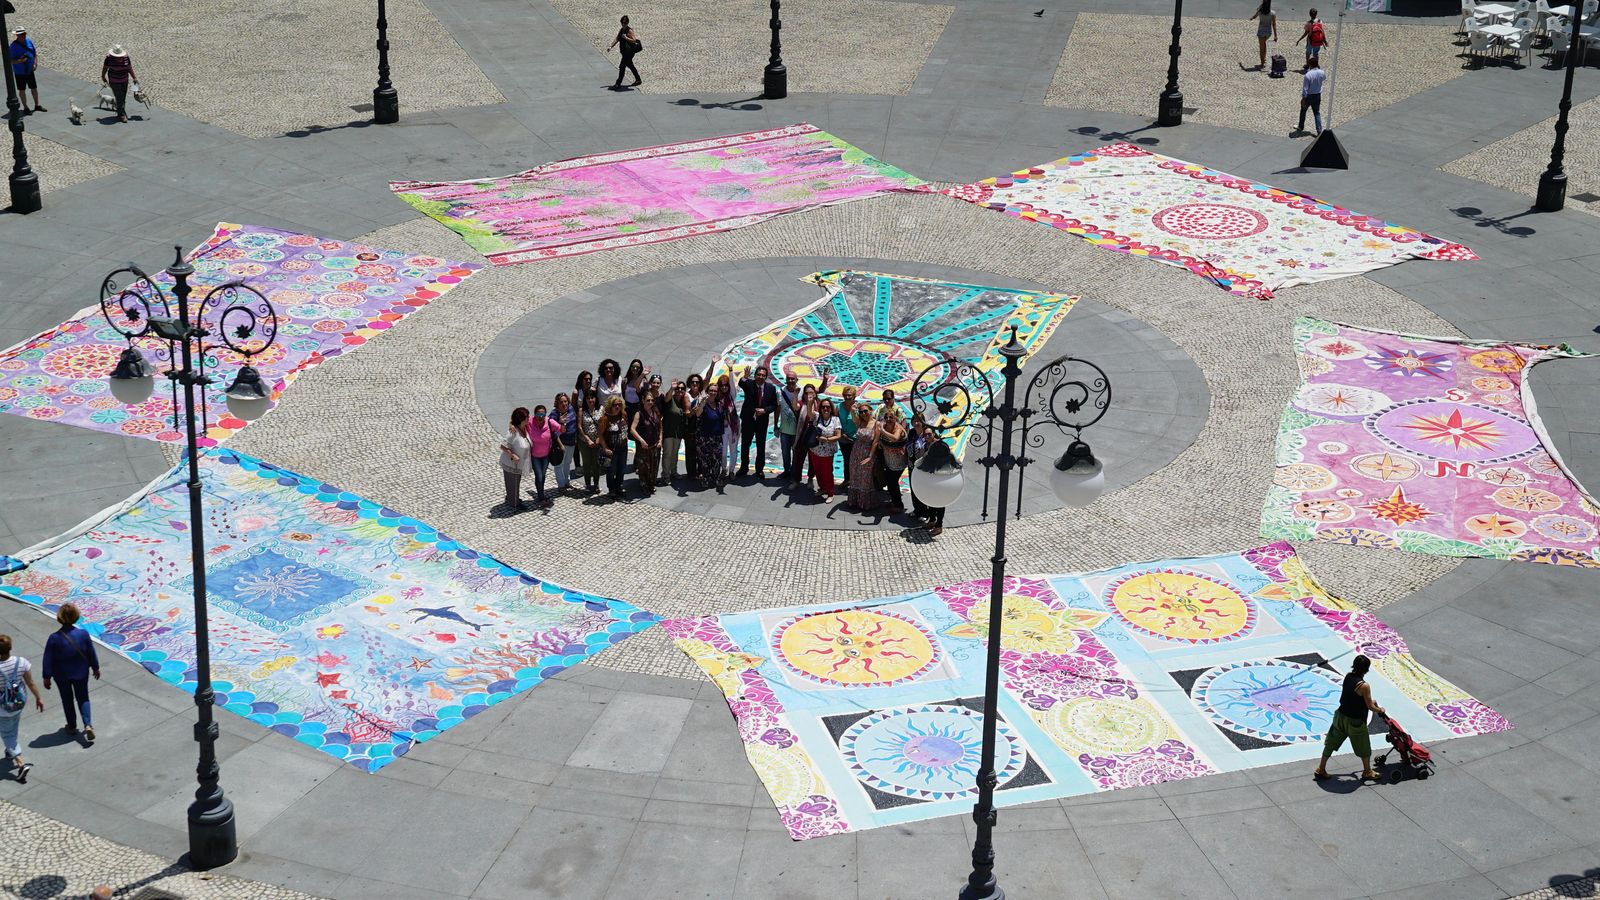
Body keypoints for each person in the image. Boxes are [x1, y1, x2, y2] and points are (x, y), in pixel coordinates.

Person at [1314, 654, 1386, 782]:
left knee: (1330, 743)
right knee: (1364, 747)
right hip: (1355, 722)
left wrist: (1369, 701)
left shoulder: (1348, 677)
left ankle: (1321, 768)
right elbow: (1370, 707)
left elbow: (1352, 697)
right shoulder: (1364, 686)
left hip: (1340, 716)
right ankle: (1367, 771)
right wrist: (1380, 710)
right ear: (1366, 669)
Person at [42, 603, 100, 742]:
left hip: (61, 675)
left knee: (67, 700)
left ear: (59, 618)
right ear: (76, 616)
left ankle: (72, 726)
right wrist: (95, 667)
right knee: (83, 698)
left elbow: (48, 658)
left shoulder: (54, 638)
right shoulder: (83, 634)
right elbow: (91, 653)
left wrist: (46, 676)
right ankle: (87, 724)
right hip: (81, 672)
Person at [0, 633, 45, 784]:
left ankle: (20, 763)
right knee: (13, 727)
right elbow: (30, 682)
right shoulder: (21, 662)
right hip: (18, 704)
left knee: (7, 734)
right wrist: (38, 697)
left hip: (3, 708)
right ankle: (10, 750)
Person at [909, 416, 947, 535]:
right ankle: (932, 520)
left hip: (939, 477)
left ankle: (939, 525)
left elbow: (947, 458)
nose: (927, 436)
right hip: (929, 476)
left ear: (934, 434)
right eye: (925, 435)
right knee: (930, 499)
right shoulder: (926, 445)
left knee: (939, 501)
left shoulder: (939, 444)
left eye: (929, 434)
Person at [738, 366, 779, 477]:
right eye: (758, 375)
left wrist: (765, 410)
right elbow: (741, 383)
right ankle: (744, 468)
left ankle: (759, 469)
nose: (760, 377)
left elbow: (774, 405)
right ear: (755, 375)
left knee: (761, 446)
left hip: (762, 421)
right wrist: (745, 377)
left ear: (766, 377)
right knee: (745, 445)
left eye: (763, 375)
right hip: (748, 420)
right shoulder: (749, 384)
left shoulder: (771, 388)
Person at [692, 380, 728, 490]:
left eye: (715, 391)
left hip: (717, 437)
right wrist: (703, 402)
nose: (713, 393)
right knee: (705, 460)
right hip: (704, 437)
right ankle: (706, 478)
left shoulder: (719, 404)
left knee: (717, 459)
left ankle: (716, 478)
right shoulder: (702, 402)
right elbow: (697, 414)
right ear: (707, 391)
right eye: (711, 390)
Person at [524, 404, 561, 507]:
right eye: (538, 414)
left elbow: (561, 429)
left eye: (542, 414)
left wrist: (561, 425)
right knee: (539, 476)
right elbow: (517, 422)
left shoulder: (549, 422)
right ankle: (541, 497)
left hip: (546, 455)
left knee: (543, 475)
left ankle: (541, 493)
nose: (540, 417)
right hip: (534, 455)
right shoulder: (530, 421)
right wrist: (512, 426)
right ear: (534, 414)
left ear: (545, 414)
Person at [808, 399, 843, 501]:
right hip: (815, 450)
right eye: (823, 407)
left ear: (831, 408)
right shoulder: (817, 416)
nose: (825, 409)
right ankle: (822, 488)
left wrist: (826, 439)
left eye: (828, 407)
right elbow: (809, 412)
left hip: (827, 452)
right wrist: (810, 402)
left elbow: (838, 435)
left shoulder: (835, 419)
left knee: (827, 472)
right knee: (818, 471)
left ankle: (830, 493)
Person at [877, 406, 910, 512]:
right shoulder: (884, 426)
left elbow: (895, 438)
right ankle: (894, 502)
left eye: (891, 417)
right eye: (886, 417)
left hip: (899, 462)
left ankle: (899, 505)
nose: (888, 419)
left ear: (895, 418)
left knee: (893, 483)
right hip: (889, 461)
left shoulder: (898, 428)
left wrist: (882, 431)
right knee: (889, 481)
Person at [498, 407, 532, 510]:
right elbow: (503, 446)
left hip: (520, 463)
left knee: (515, 483)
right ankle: (514, 503)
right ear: (521, 419)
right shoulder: (513, 432)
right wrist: (512, 455)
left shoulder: (525, 427)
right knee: (513, 483)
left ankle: (511, 498)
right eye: (527, 417)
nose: (529, 418)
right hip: (511, 463)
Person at [846, 404, 879, 511]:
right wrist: (853, 409)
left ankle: (865, 503)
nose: (863, 414)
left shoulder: (876, 424)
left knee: (866, 479)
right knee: (855, 477)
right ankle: (855, 501)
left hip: (867, 454)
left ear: (871, 410)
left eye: (865, 411)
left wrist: (870, 457)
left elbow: (875, 442)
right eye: (861, 412)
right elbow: (853, 415)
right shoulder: (860, 422)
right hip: (855, 453)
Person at [631, 392, 663, 496]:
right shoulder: (639, 413)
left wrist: (660, 440)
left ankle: (651, 484)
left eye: (652, 400)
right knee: (644, 467)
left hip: (655, 445)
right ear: (643, 401)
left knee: (654, 466)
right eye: (648, 400)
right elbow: (632, 429)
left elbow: (660, 427)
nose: (650, 402)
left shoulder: (656, 411)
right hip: (644, 446)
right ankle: (644, 486)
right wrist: (641, 440)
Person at [598, 396, 630, 499]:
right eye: (615, 405)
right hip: (612, 449)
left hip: (623, 447)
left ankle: (619, 486)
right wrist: (605, 448)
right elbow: (600, 435)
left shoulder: (623, 414)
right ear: (610, 406)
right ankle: (612, 490)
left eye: (619, 405)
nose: (617, 407)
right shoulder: (605, 419)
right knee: (611, 470)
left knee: (622, 468)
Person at [9, 28, 43, 114]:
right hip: (20, 72)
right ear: (17, 35)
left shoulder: (28, 41)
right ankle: (25, 107)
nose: (24, 36)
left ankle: (37, 105)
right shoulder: (13, 46)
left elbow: (34, 53)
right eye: (22, 34)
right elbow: (10, 61)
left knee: (34, 88)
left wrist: (35, 64)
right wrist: (20, 61)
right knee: (22, 90)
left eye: (24, 34)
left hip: (29, 70)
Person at [101, 44, 137, 123]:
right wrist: (103, 76)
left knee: (123, 97)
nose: (119, 58)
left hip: (124, 80)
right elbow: (105, 68)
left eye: (120, 57)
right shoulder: (109, 58)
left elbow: (129, 68)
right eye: (117, 57)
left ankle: (121, 110)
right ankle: (121, 114)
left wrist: (134, 77)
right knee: (119, 97)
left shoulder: (126, 58)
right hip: (114, 81)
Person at [661, 379, 688, 483]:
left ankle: (674, 471)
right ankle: (665, 474)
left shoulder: (683, 402)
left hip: (678, 433)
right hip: (668, 431)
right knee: (667, 454)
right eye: (678, 388)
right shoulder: (670, 399)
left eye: (682, 388)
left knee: (675, 453)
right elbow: (666, 398)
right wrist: (672, 388)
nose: (679, 390)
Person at [577, 393, 603, 493]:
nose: (590, 400)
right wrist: (587, 439)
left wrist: (599, 438)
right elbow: (579, 426)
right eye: (588, 398)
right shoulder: (581, 410)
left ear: (596, 399)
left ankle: (596, 484)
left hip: (597, 441)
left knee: (596, 463)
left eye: (592, 398)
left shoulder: (601, 409)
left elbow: (603, 425)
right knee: (587, 463)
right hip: (584, 441)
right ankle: (587, 484)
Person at [608, 16, 643, 89]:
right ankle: (638, 79)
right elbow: (617, 39)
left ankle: (618, 83)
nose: (623, 24)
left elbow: (634, 40)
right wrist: (611, 46)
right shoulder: (621, 30)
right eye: (622, 23)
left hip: (629, 52)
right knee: (630, 65)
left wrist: (626, 38)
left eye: (625, 23)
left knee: (622, 66)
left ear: (627, 23)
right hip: (624, 52)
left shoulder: (629, 30)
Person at [552, 392, 577, 494]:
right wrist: (560, 422)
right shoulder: (554, 414)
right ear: (557, 403)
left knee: (567, 463)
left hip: (571, 442)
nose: (564, 404)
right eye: (561, 402)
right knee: (559, 465)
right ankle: (561, 485)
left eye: (565, 401)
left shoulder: (571, 409)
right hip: (561, 443)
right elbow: (552, 430)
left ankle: (566, 482)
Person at [1297, 58, 1326, 135]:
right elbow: (1324, 78)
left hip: (1309, 96)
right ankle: (1319, 130)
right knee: (1316, 113)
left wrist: (1303, 98)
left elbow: (1305, 89)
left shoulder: (1308, 75)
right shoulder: (1322, 72)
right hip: (1317, 95)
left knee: (1303, 111)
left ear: (1309, 64)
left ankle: (1300, 126)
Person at [1250, 1, 1277, 70]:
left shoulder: (1260, 11)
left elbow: (1255, 16)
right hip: (1268, 32)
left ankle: (1262, 63)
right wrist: (1275, 35)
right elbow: (1274, 24)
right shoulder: (1272, 13)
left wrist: (1252, 18)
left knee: (1262, 47)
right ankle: (1263, 61)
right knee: (1264, 45)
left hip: (1261, 31)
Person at [838, 386, 859, 475]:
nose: (847, 397)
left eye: (849, 395)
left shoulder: (859, 407)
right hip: (843, 438)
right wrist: (843, 435)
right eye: (845, 395)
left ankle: (856, 479)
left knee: (857, 460)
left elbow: (860, 423)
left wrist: (853, 412)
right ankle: (847, 479)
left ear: (854, 396)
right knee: (846, 459)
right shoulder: (839, 407)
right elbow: (836, 422)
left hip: (856, 439)